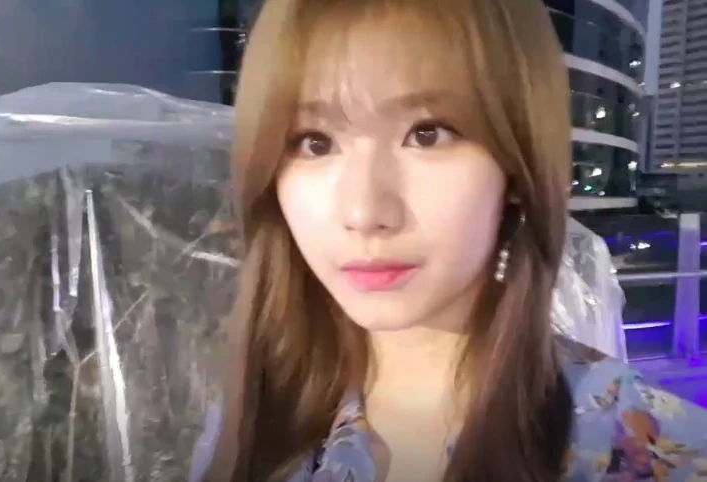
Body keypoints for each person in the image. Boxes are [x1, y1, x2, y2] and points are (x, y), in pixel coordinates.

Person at [189, 0, 707, 481]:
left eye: (427, 134)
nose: (364, 213)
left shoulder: (649, 448)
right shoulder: (257, 415)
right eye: (314, 142)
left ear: (517, 164)